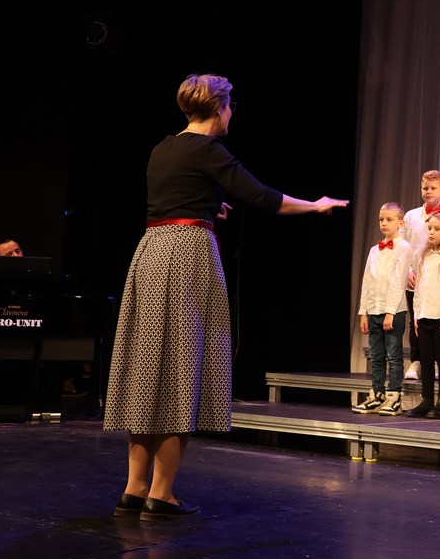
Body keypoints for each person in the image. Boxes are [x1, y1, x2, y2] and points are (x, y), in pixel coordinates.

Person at [104, 73, 348, 520]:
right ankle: (161, 493)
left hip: (151, 253)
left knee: (148, 372)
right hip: (188, 257)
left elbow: (172, 198)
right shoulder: (209, 149)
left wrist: (209, 205)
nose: (231, 113)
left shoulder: (163, 148)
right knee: (181, 373)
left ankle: (133, 489)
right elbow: (265, 197)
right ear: (219, 109)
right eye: (230, 106)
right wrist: (316, 205)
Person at [352, 202, 411, 417]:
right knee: (376, 355)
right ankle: (377, 394)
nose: (384, 223)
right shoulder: (374, 249)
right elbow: (367, 281)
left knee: (393, 355)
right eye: (381, 219)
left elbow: (398, 281)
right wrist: (363, 312)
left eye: (389, 219)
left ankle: (394, 397)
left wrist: (390, 312)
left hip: (393, 311)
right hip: (374, 308)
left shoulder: (404, 247)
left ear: (400, 223)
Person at [405, 213, 440, 419]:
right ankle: (426, 400)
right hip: (425, 315)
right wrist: (416, 316)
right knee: (426, 360)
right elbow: (418, 289)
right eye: (429, 229)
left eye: (437, 229)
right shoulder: (423, 255)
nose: (432, 233)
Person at [402, 170, 440, 382]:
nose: (428, 191)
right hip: (415, 276)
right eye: (425, 188)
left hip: (439, 276)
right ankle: (416, 360)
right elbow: (404, 246)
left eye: (433, 188)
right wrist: (407, 271)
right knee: (415, 319)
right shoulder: (411, 216)